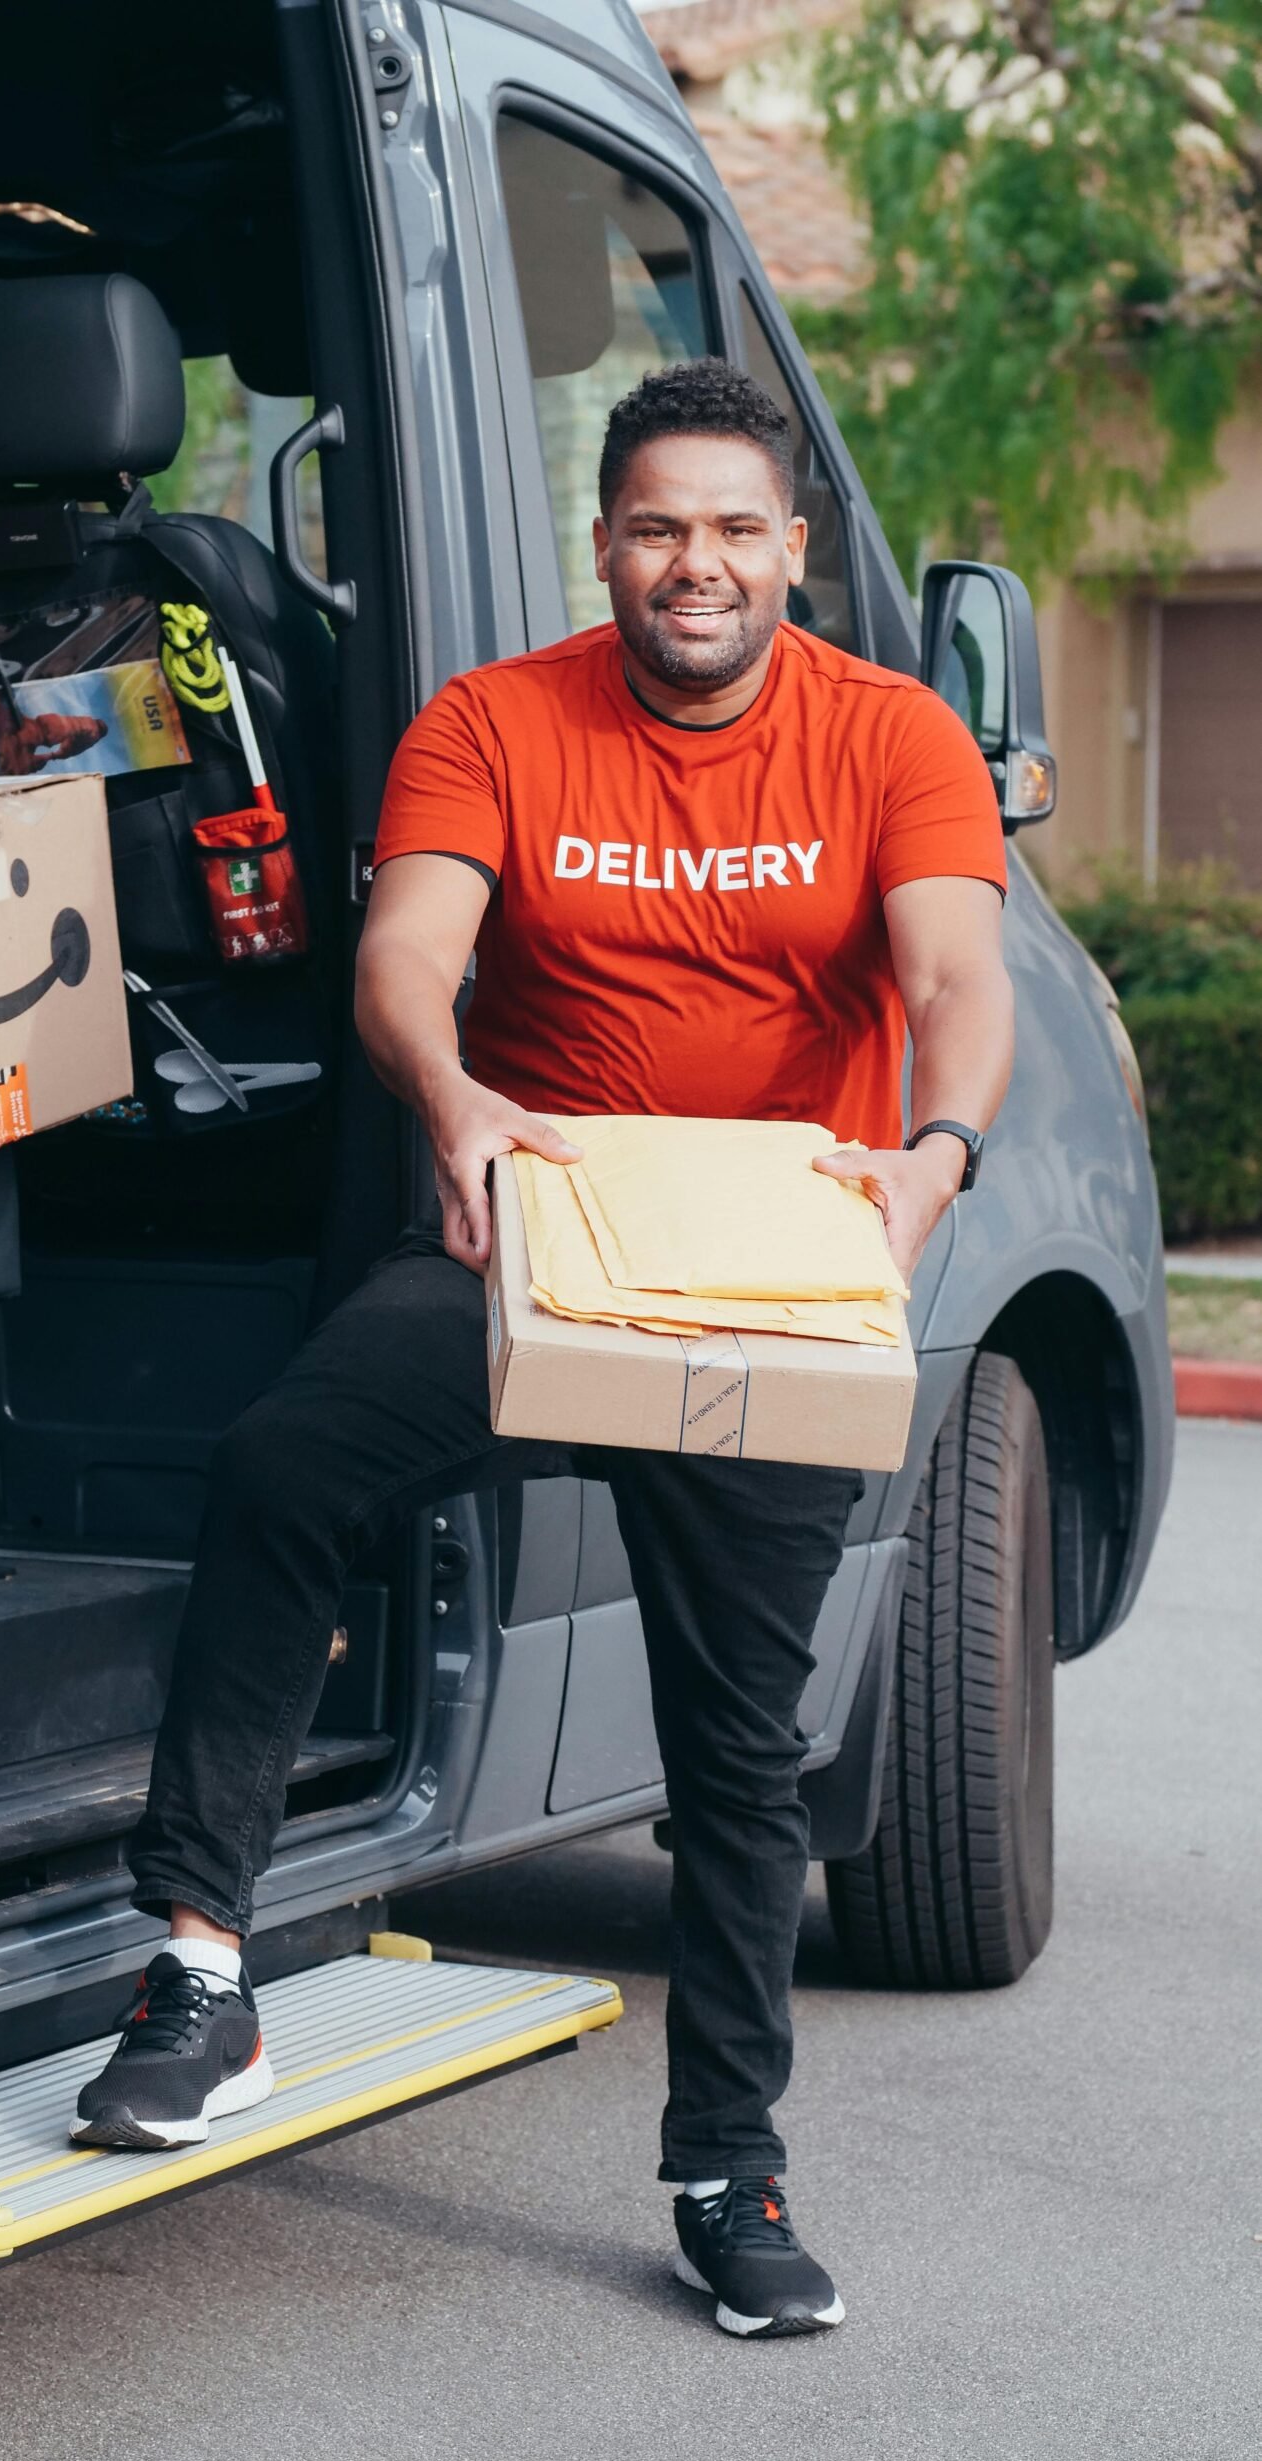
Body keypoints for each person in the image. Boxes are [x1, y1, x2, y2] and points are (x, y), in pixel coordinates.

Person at [72, 358, 1014, 2340]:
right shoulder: (496, 718)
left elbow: (952, 973)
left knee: (740, 1756)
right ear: (605, 546)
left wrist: (934, 1153)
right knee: (282, 1467)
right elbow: (407, 948)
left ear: (793, 549)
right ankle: (203, 1976)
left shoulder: (892, 734)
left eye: (735, 528)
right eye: (659, 527)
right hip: (542, 1231)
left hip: (767, 1265)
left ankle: (726, 2166)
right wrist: (454, 1097)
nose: (697, 562)